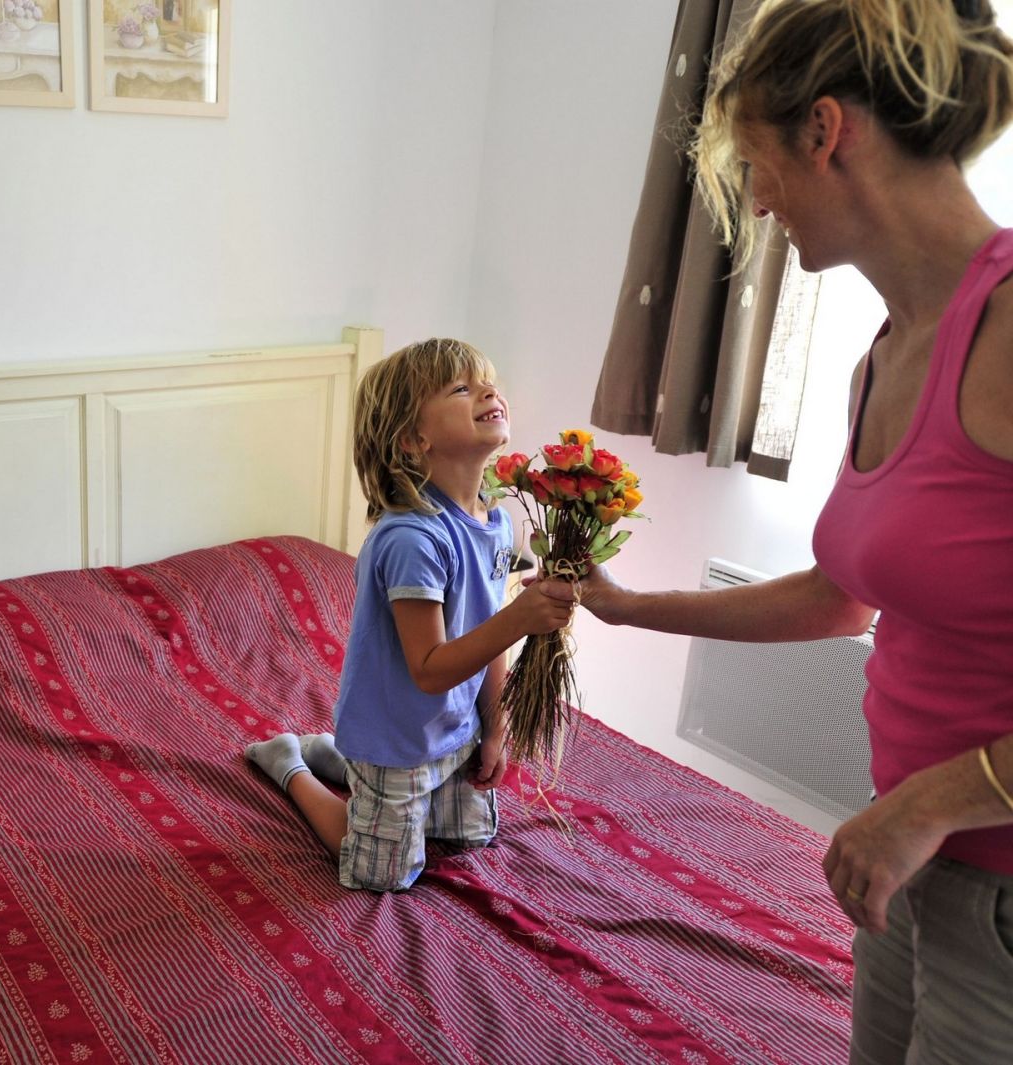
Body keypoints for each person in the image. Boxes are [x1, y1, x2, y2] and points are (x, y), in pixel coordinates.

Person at [577, 1, 1013, 1060]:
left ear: (824, 131)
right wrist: (628, 609)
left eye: (753, 164)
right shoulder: (881, 358)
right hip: (909, 858)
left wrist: (932, 803)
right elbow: (840, 598)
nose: (757, 202)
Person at [244, 338, 577, 891]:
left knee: (471, 837)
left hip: (459, 729)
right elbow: (428, 669)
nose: (489, 392)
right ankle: (291, 764)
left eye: (489, 382)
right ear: (412, 438)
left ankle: (333, 756)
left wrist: (495, 728)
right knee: (382, 875)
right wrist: (520, 617)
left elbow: (488, 634)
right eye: (462, 388)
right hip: (396, 741)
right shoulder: (411, 539)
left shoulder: (495, 522)